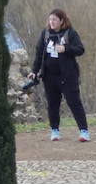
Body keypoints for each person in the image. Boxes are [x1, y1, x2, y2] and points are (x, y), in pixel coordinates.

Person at [28, 8, 90, 142]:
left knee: (74, 102)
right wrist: (34, 71)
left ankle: (84, 131)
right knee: (53, 104)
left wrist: (66, 49)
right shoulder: (45, 34)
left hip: (68, 76)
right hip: (49, 76)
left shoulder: (70, 33)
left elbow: (80, 49)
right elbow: (39, 54)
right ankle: (54, 130)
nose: (52, 22)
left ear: (62, 21)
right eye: (50, 19)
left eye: (55, 20)